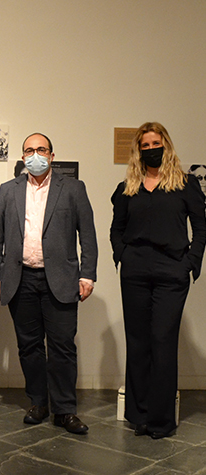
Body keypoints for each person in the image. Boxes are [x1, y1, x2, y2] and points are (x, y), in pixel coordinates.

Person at [0, 132, 97, 434]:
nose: (35, 155)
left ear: (51, 155)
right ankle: (38, 402)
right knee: (29, 346)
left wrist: (87, 274)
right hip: (20, 279)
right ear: (23, 157)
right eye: (29, 150)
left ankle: (65, 410)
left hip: (60, 280)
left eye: (41, 150)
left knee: (62, 347)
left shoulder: (73, 188)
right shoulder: (8, 190)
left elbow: (87, 234)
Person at [110, 122, 206, 439]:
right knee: (138, 342)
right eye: (145, 145)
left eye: (156, 143)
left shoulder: (186, 184)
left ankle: (161, 420)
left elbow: (200, 228)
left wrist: (189, 263)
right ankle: (139, 415)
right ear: (138, 151)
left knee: (163, 342)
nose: (151, 149)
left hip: (171, 270)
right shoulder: (129, 187)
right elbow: (116, 229)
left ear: (166, 145)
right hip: (135, 271)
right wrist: (123, 255)